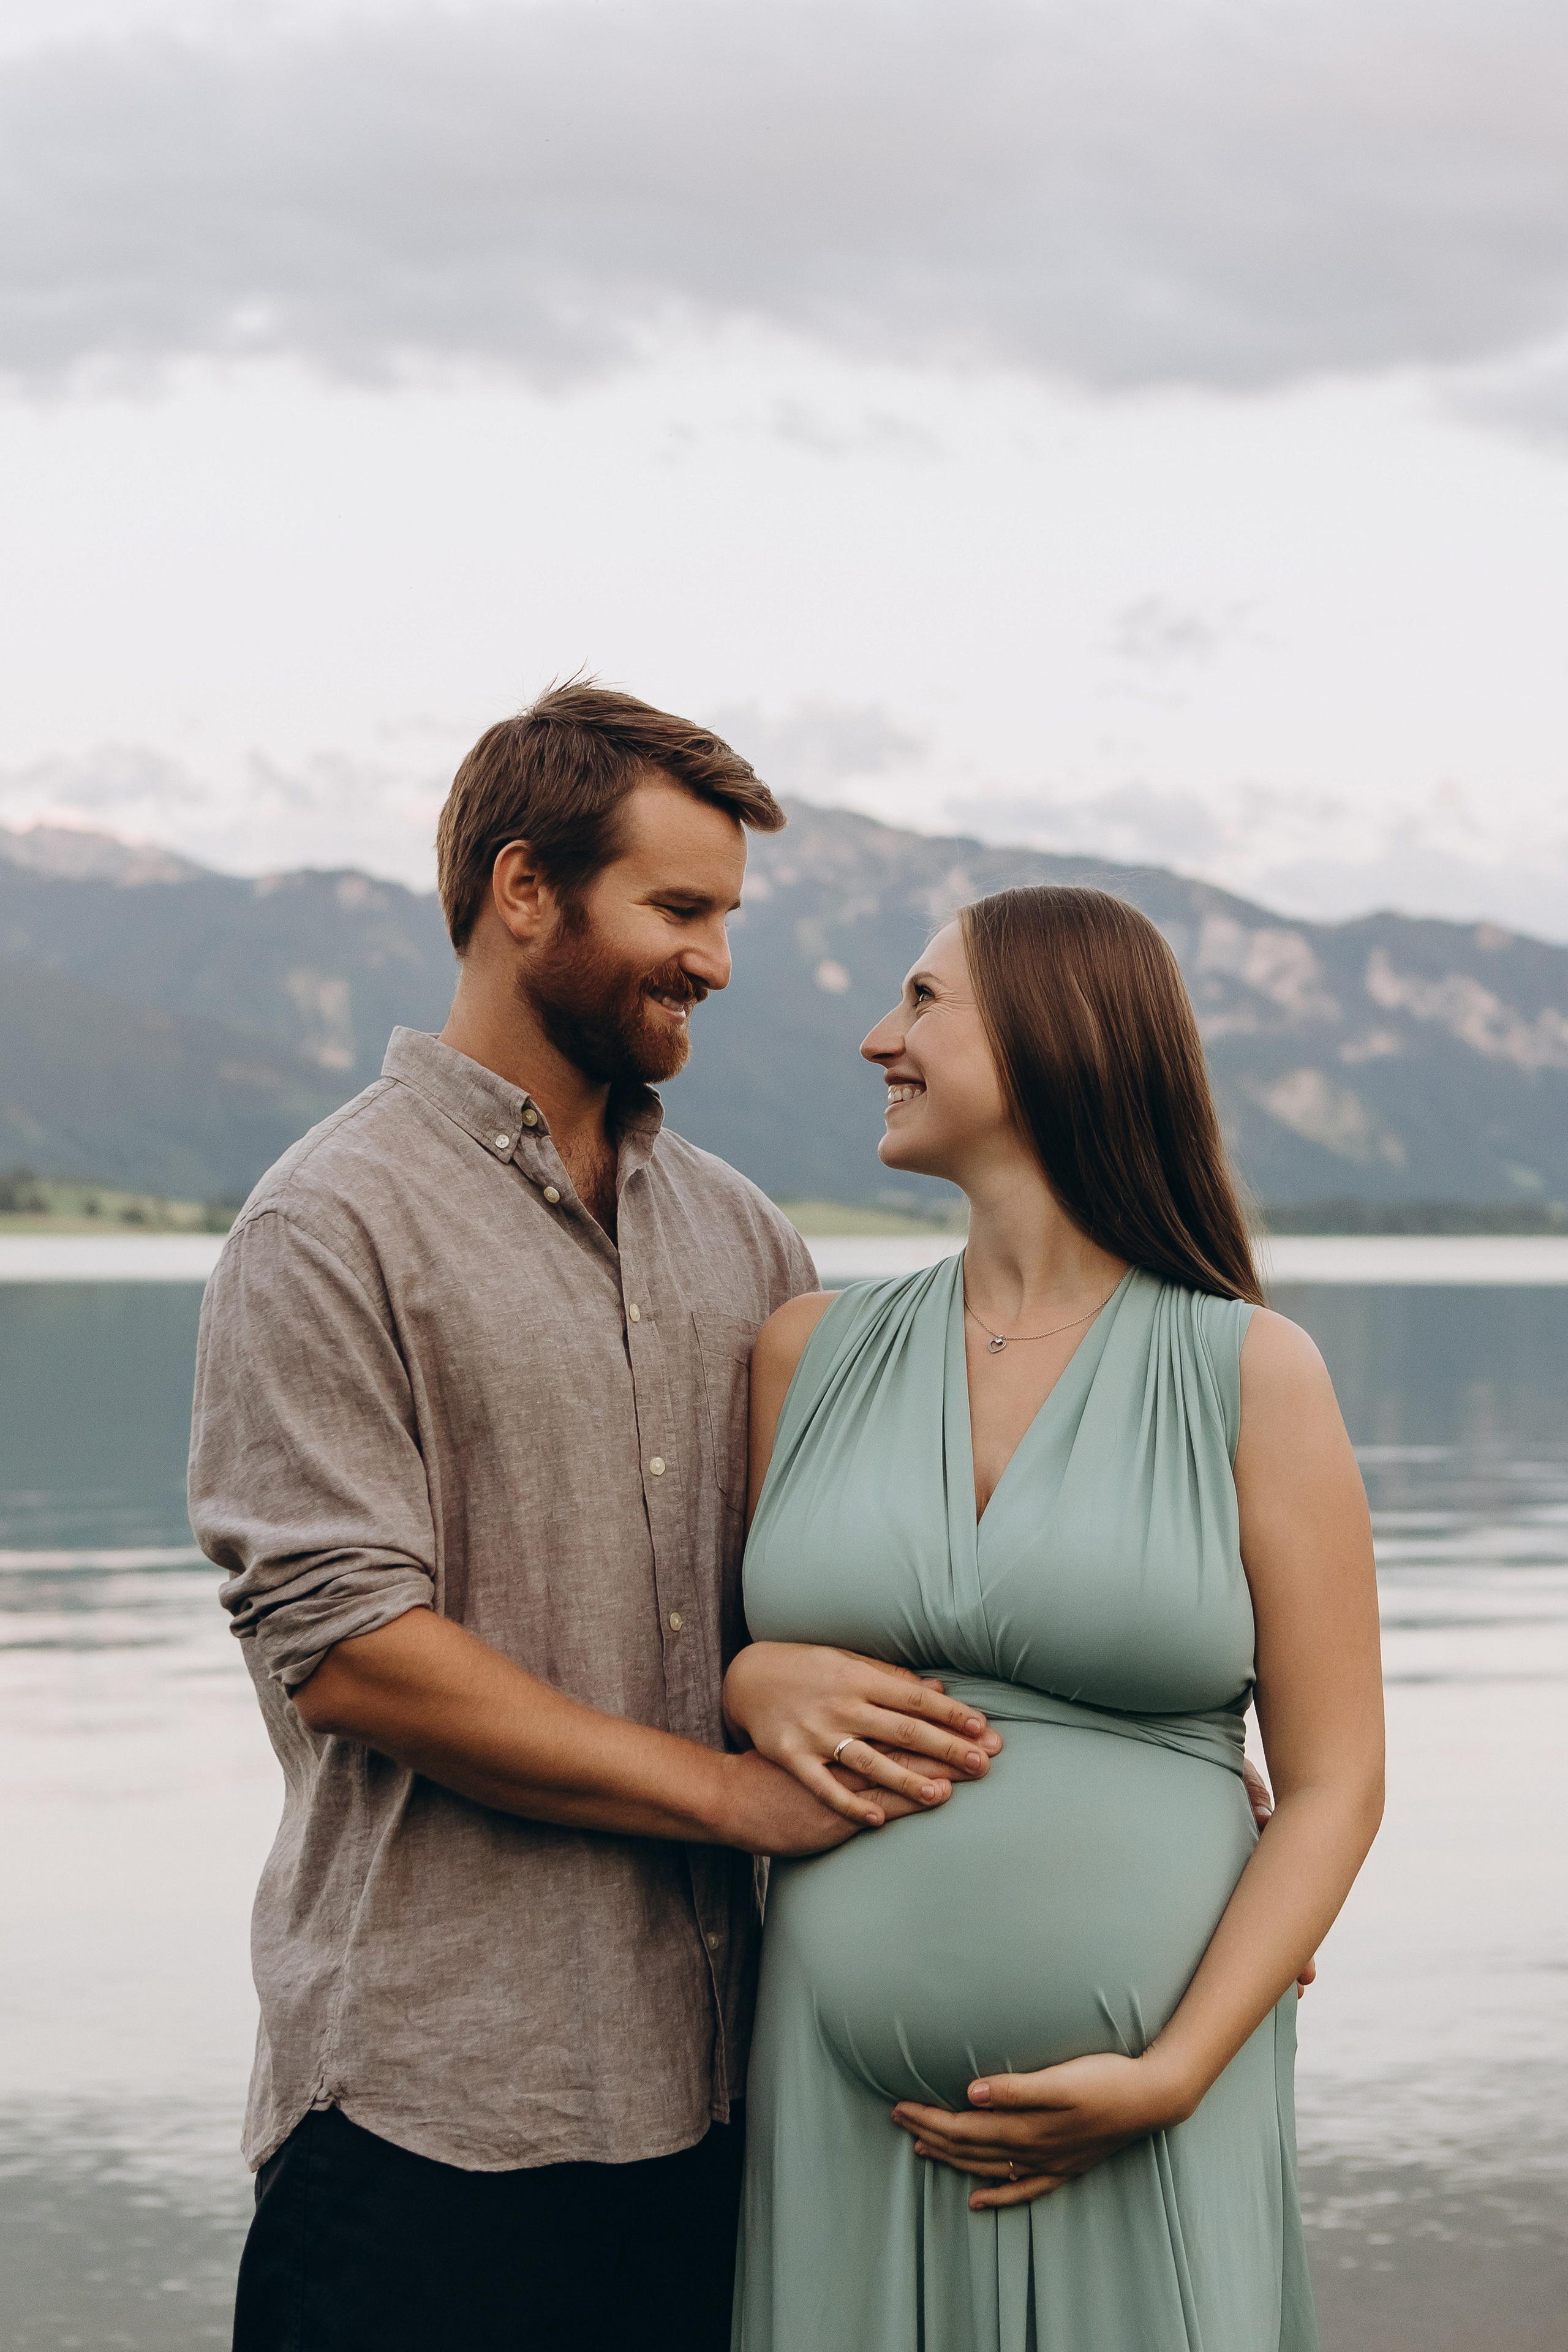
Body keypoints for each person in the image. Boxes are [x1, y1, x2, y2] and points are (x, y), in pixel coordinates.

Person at [187, 684, 996, 2352]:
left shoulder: (751, 1243)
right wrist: (725, 1795)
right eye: (680, 908)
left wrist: (1151, 1761)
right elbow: (356, 1655)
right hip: (430, 2114)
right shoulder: (325, 1226)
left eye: (727, 918)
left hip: (722, 2110)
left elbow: (841, 1599)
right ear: (523, 890)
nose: (714, 958)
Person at [725, 886, 1385, 2350]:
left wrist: (1176, 2071)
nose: (872, 1038)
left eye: (919, 1002)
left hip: (1152, 2100)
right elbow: (718, 1654)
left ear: (1051, 1034)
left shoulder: (1251, 1373)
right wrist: (750, 1678)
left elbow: (1335, 1784)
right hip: (836, 2099)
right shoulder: (806, 1353)